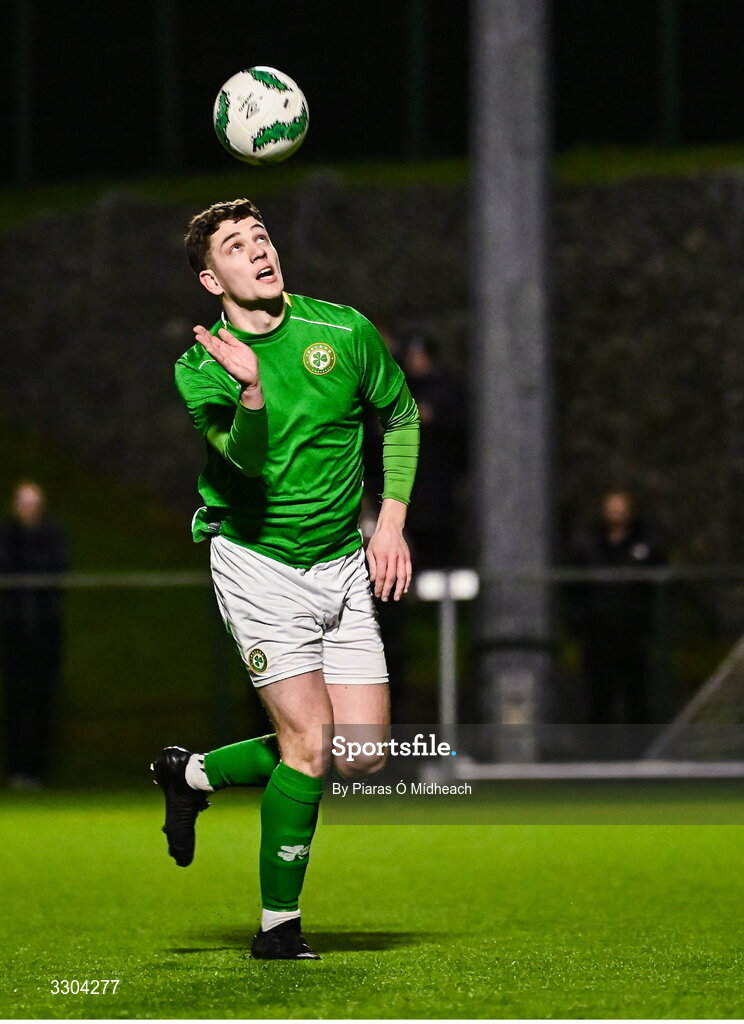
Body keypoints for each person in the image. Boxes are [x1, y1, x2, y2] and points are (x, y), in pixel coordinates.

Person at [151, 199, 419, 960]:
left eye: (260, 237)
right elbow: (243, 461)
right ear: (213, 278)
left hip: (339, 560)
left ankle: (192, 773)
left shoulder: (343, 330)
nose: (257, 251)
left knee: (360, 753)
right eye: (235, 246)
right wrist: (252, 392)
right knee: (307, 744)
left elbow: (399, 415)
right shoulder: (203, 364)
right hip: (258, 563)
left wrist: (390, 521)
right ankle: (277, 930)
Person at [568, 488, 666, 725]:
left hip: (633, 634)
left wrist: (647, 621)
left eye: (621, 507)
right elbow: (575, 589)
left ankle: (640, 753)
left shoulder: (645, 545)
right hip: (598, 635)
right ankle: (599, 754)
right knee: (598, 696)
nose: (617, 512)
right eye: (612, 507)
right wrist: (581, 621)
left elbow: (657, 585)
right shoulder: (589, 546)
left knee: (637, 697)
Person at [0, 480, 69, 788]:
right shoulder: (6, 536)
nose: (27, 509)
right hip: (13, 634)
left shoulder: (52, 534)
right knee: (15, 701)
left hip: (44, 634)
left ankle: (39, 770)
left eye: (32, 503)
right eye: (22, 503)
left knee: (42, 701)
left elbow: (56, 568)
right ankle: (15, 770)